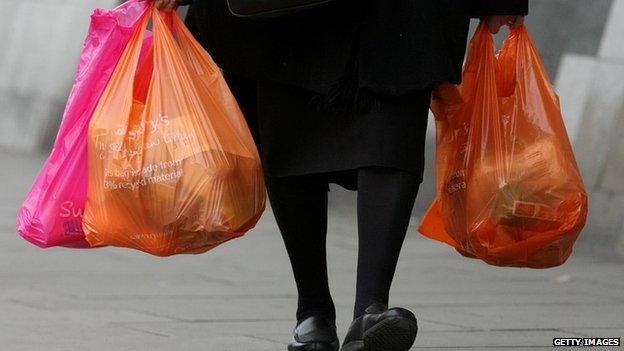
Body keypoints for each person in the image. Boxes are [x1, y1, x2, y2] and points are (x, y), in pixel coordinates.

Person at [146, 0, 528, 350]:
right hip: (280, 14)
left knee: (393, 127)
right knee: (286, 128)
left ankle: (369, 311)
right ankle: (312, 310)